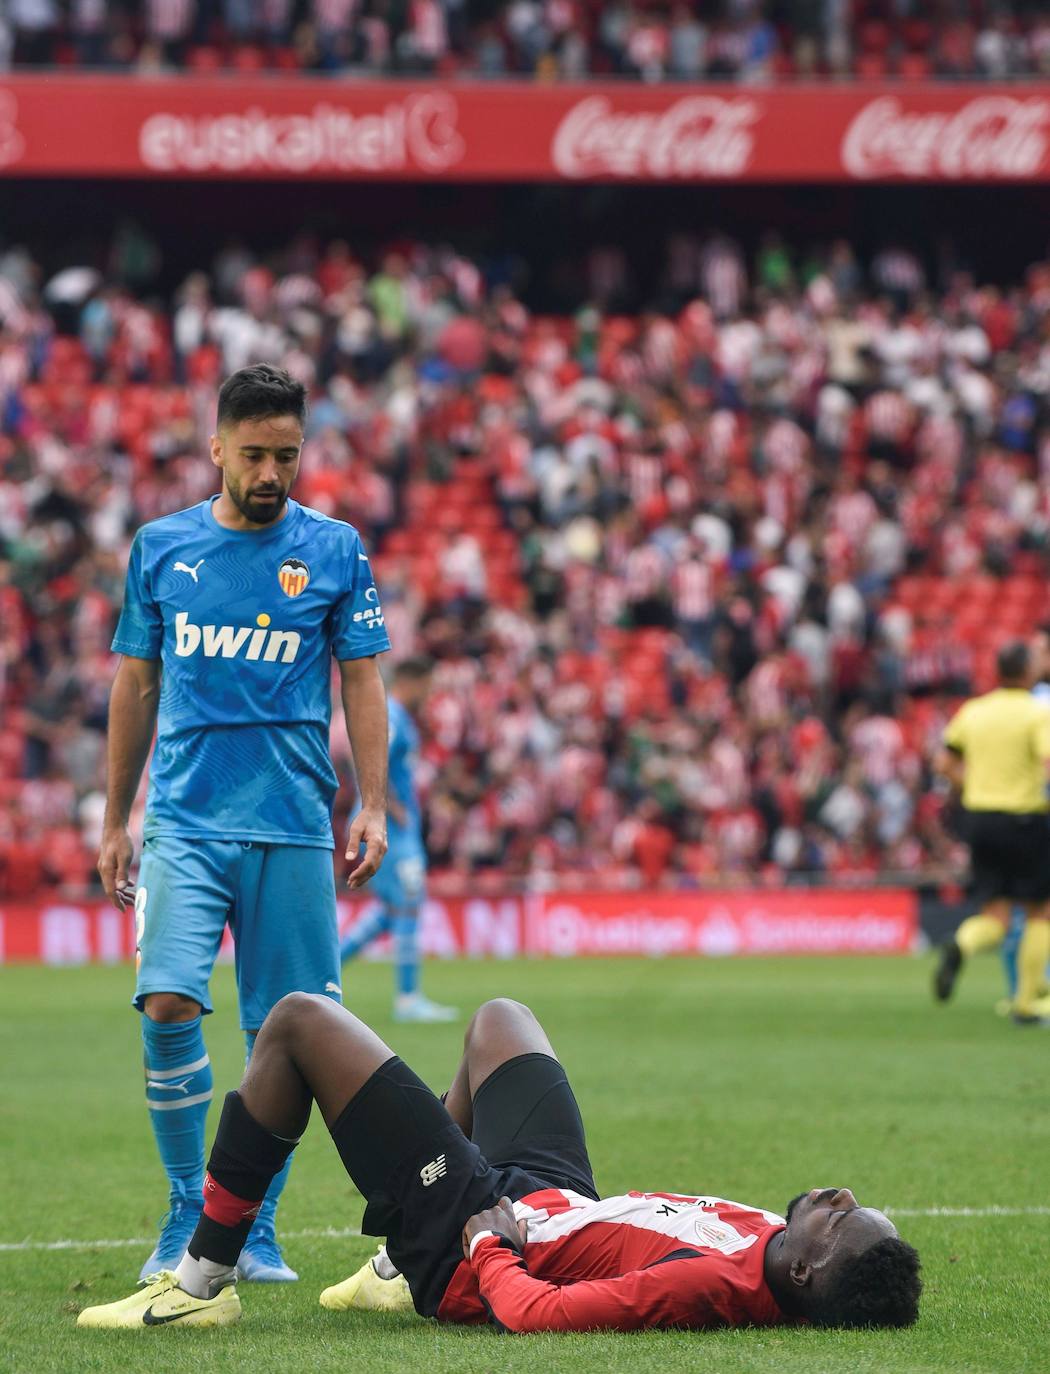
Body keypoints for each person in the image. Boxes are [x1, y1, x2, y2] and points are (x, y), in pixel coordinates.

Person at [77, 995, 921, 1333]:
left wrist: (485, 1242)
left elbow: (541, 1315)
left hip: (484, 1243)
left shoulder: (709, 1286)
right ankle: (388, 1263)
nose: (840, 1195)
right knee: (500, 1021)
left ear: (807, 1272)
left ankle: (195, 1286)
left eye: (842, 1218)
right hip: (553, 1199)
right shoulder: (774, 1239)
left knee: (298, 1024)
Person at [97, 364, 391, 1285]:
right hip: (185, 820)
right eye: (256, 454)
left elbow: (364, 678)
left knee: (292, 1032)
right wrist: (117, 816)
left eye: (288, 456)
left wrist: (373, 801)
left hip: (296, 824)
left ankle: (251, 1225)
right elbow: (135, 684)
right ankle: (190, 1208)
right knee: (169, 1002)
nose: (273, 473)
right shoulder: (161, 548)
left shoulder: (336, 549)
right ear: (217, 447)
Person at [932, 640, 1050, 1025]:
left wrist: (973, 784)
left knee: (995, 916)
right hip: (1025, 819)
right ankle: (1026, 1003)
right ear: (1028, 671)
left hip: (980, 820)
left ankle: (961, 945)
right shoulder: (1037, 713)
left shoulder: (974, 710)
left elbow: (944, 761)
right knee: (1040, 912)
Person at [339, 656, 457, 1023]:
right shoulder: (392, 713)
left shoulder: (398, 716)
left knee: (391, 912)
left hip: (396, 825)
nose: (431, 693)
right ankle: (408, 1000)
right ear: (415, 681)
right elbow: (374, 760)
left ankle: (321, 975)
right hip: (389, 826)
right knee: (407, 905)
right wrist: (391, 806)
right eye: (429, 685)